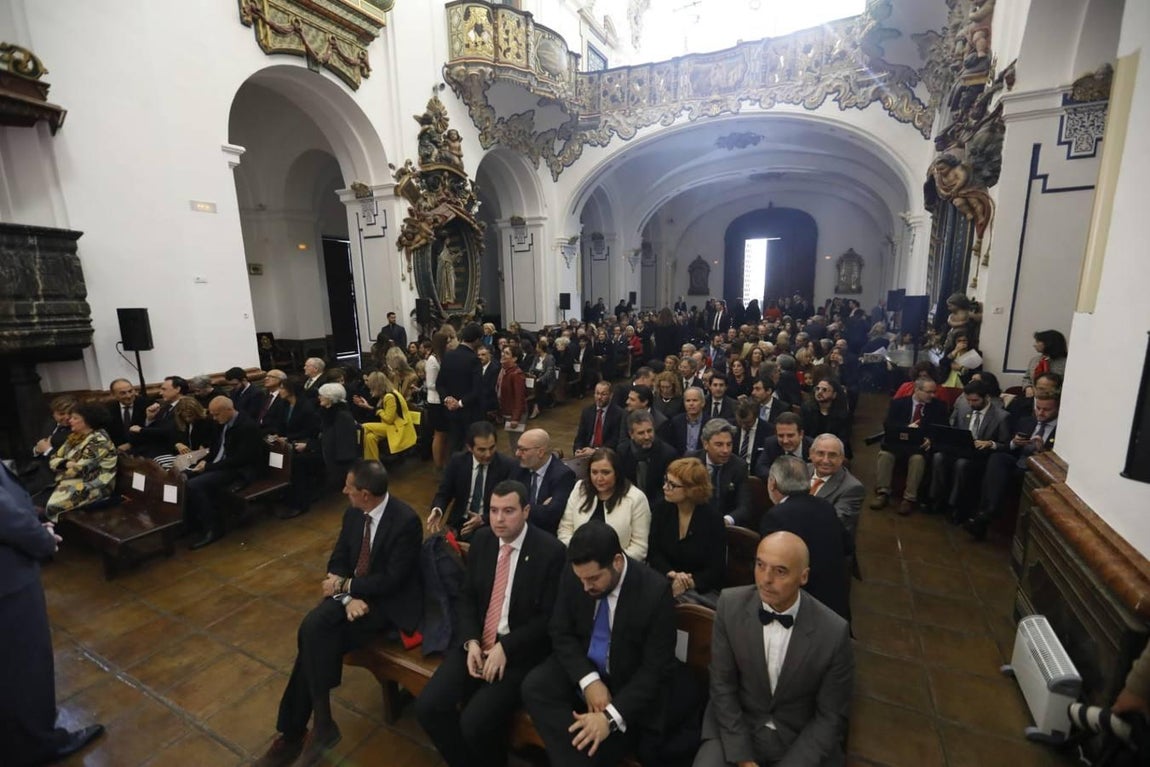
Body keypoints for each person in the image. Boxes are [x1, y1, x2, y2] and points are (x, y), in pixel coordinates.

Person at [254, 461, 422, 767]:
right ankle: (318, 725)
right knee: (313, 633)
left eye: (349, 488)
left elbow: (392, 580)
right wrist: (346, 599)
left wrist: (345, 586)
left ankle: (299, 732)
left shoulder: (406, 522)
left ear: (366, 494)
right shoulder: (353, 514)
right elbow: (339, 559)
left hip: (386, 605)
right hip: (353, 599)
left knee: (313, 632)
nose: (344, 491)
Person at [416, 480, 566, 767]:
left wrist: (506, 648)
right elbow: (468, 597)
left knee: (475, 722)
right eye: (494, 510)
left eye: (508, 511)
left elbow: (549, 619)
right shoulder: (483, 540)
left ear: (526, 511)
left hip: (518, 652)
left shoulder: (550, 552)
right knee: (429, 707)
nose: (499, 519)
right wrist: (470, 641)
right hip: (477, 642)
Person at [521, 523, 676, 767]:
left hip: (626, 683)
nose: (585, 587)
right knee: (535, 686)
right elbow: (560, 630)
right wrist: (588, 680)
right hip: (586, 664)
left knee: (603, 741)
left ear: (616, 562)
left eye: (593, 578)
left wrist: (609, 718)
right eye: (580, 578)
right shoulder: (577, 573)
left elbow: (654, 670)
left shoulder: (655, 592)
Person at [693, 531, 852, 767]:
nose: (765, 579)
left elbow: (829, 717)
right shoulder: (730, 605)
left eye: (780, 571)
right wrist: (744, 758)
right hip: (736, 727)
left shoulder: (834, 632)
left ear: (804, 576)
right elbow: (722, 685)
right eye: (760, 565)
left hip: (799, 740)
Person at [1, 463, 105, 765]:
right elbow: (7, 517)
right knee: (24, 666)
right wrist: (44, 539)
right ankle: (39, 744)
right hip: (7, 584)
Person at [760, 457, 851, 623]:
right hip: (835, 603)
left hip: (802, 610)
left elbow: (771, 569)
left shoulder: (776, 516)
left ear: (772, 483)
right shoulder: (825, 506)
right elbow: (848, 546)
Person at [184, 396, 267, 549]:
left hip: (240, 470)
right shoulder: (221, 423)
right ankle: (193, 523)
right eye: (212, 414)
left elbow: (242, 459)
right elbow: (216, 448)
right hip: (221, 465)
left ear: (229, 410)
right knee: (183, 477)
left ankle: (214, 528)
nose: (214, 418)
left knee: (195, 485)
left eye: (217, 414)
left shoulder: (247, 426)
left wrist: (208, 467)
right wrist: (204, 461)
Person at [928, 380, 1011, 522]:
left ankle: (954, 505)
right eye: (968, 400)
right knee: (938, 457)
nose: (972, 404)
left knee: (961, 464)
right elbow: (952, 430)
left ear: (987, 398)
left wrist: (990, 443)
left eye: (975, 400)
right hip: (960, 449)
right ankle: (936, 498)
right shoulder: (964, 409)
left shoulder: (1001, 416)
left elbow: (1006, 444)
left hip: (981, 455)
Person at [647, 457, 725, 607]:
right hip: (665, 580)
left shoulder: (712, 519)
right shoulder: (661, 509)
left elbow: (716, 569)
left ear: (692, 490)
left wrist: (688, 583)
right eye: (665, 481)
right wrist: (672, 574)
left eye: (672, 485)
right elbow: (654, 552)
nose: (665, 487)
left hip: (701, 590)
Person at [558, 447, 651, 561]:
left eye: (606, 472)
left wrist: (609, 563)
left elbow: (639, 548)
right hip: (579, 561)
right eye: (594, 472)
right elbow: (565, 529)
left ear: (617, 473)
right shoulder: (580, 488)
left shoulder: (636, 498)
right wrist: (579, 554)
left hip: (617, 567)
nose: (599, 478)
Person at [428, 421, 516, 540]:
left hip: (490, 524)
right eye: (481, 450)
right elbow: (444, 493)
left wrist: (483, 519)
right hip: (459, 522)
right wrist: (438, 509)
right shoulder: (457, 461)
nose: (488, 454)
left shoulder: (507, 466)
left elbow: (510, 505)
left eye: (492, 448)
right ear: (470, 447)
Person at [872, 377, 948, 516]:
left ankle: (909, 498)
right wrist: (906, 428)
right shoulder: (898, 403)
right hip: (898, 443)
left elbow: (943, 429)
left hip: (919, 446)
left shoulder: (939, 407)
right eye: (929, 392)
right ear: (917, 390)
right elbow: (889, 425)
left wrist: (931, 439)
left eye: (934, 392)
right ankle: (882, 492)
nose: (933, 395)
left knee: (918, 460)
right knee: (885, 455)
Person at [39, 402, 118, 522]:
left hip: (92, 487)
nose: (70, 420)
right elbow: (53, 459)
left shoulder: (99, 441)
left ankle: (56, 537)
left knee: (47, 510)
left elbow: (78, 470)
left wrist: (63, 464)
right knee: (33, 501)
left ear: (88, 421)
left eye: (75, 418)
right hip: (68, 482)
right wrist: (66, 463)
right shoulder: (75, 437)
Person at [688, 419, 751, 527]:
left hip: (726, 527)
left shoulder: (739, 466)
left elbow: (744, 506)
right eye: (719, 444)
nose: (726, 450)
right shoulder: (691, 461)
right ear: (705, 444)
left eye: (729, 444)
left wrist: (726, 520)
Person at [513, 428, 576, 536]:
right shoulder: (519, 468)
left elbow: (551, 515)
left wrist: (518, 507)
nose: (517, 454)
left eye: (523, 450)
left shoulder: (563, 475)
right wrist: (542, 508)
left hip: (546, 536)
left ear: (540, 452)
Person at [808, 434, 865, 543]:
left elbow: (833, 525)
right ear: (811, 454)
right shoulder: (802, 470)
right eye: (820, 453)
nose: (825, 460)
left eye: (832, 455)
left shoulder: (853, 488)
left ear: (842, 458)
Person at [617, 410, 679, 505]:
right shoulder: (622, 452)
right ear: (631, 434)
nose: (647, 437)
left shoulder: (668, 454)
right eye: (641, 433)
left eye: (649, 431)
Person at [440, 322, 485, 451]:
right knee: (473, 448)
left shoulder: (448, 356)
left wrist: (447, 399)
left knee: (454, 446)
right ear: (477, 340)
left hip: (451, 412)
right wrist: (459, 403)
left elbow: (440, 384)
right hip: (470, 413)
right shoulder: (474, 360)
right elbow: (477, 389)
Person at [360, 374, 417, 461]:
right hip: (394, 426)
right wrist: (368, 406)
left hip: (398, 428)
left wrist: (379, 411)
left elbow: (389, 419)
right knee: (370, 437)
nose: (370, 390)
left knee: (363, 427)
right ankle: (372, 464)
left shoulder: (389, 397)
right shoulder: (391, 393)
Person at [317, 383, 360, 490]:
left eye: (322, 395)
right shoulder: (328, 412)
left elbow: (346, 443)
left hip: (339, 462)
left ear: (331, 398)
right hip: (330, 453)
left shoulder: (342, 415)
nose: (319, 397)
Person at [574, 381, 625, 457]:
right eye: (597, 393)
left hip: (605, 454)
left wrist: (595, 451)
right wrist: (578, 449)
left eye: (603, 394)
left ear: (611, 395)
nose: (599, 397)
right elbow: (580, 436)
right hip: (586, 452)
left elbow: (614, 441)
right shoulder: (587, 411)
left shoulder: (618, 414)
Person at [497, 345, 528, 452]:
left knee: (517, 444)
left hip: (515, 414)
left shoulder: (516, 374)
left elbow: (519, 398)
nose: (502, 355)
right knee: (512, 442)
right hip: (507, 412)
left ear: (514, 358)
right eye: (502, 352)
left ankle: (520, 466)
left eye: (506, 353)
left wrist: (515, 418)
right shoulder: (504, 371)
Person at [105, 378, 149, 451]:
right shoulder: (107, 409)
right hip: (117, 451)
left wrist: (131, 444)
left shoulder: (147, 404)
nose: (128, 396)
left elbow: (152, 431)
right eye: (123, 393)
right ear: (113, 395)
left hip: (143, 448)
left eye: (130, 391)